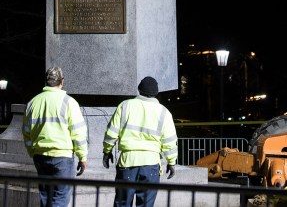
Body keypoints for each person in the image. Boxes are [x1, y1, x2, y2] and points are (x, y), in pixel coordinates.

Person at [102, 76, 178, 207]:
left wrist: (106, 152)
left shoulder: (125, 106)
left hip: (127, 161)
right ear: (156, 93)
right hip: (151, 164)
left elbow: (111, 133)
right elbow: (170, 142)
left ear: (139, 90)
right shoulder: (164, 112)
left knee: (122, 203)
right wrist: (171, 162)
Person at [23, 66, 88, 207]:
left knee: (45, 197)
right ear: (62, 81)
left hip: (40, 156)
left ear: (46, 82)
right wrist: (82, 157)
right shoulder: (69, 102)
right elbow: (78, 132)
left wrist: (32, 151)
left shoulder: (33, 103)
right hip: (62, 157)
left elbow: (26, 132)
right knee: (60, 198)